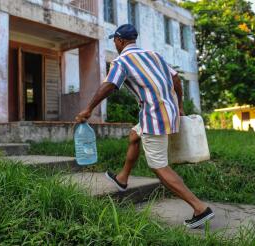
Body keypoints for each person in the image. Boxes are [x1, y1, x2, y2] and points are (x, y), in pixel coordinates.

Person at [75, 24, 214, 229]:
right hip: (168, 111)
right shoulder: (153, 54)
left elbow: (109, 85)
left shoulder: (121, 61)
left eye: (115, 40)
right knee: (134, 135)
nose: (115, 43)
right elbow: (176, 80)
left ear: (120, 41)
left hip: (154, 116)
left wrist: (88, 109)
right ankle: (122, 178)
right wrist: (180, 105)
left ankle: (199, 208)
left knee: (159, 166)